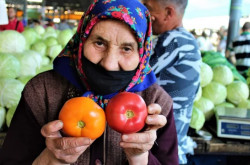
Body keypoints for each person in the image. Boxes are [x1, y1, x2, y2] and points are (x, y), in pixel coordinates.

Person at [0, 0, 179, 164]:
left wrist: (140, 158)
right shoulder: (42, 92)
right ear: (82, 40)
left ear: (142, 54)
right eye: (99, 43)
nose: (109, 64)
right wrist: (51, 158)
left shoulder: (156, 103)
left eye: (126, 48)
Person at [142, 0, 201, 164]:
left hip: (162, 145)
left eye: (148, 8)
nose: (146, 14)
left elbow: (137, 75)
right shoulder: (187, 40)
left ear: (169, 13)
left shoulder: (173, 40)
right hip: (175, 146)